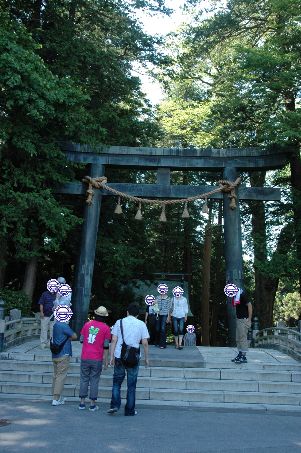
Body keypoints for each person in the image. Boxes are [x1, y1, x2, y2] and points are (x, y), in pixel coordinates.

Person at [107, 303, 149, 416]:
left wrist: (111, 356)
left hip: (119, 356)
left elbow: (114, 340)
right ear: (138, 315)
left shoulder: (119, 322)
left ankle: (114, 406)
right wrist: (146, 358)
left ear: (127, 312)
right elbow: (144, 343)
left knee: (116, 383)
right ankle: (129, 410)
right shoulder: (141, 324)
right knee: (131, 386)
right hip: (134, 358)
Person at [78, 306, 111, 411]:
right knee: (94, 380)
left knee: (84, 379)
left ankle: (82, 403)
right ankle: (92, 404)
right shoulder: (106, 328)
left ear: (95, 315)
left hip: (85, 356)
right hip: (97, 358)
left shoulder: (87, 325)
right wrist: (106, 361)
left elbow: (81, 340)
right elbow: (106, 346)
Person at [51, 316, 77, 406]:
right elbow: (75, 336)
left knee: (56, 376)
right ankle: (56, 399)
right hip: (64, 353)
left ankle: (57, 397)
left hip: (55, 354)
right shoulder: (64, 326)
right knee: (61, 376)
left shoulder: (55, 325)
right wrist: (69, 337)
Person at [232, 290, 252, 364]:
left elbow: (249, 305)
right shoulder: (236, 296)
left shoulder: (242, 294)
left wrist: (249, 319)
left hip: (244, 320)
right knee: (238, 338)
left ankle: (244, 356)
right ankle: (240, 354)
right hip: (239, 319)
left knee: (243, 338)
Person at [39, 279, 58, 348]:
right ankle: (43, 343)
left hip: (54, 315)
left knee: (52, 330)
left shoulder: (57, 295)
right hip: (45, 315)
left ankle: (50, 343)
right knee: (44, 329)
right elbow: (41, 303)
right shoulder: (44, 294)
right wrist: (41, 312)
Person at [155, 284, 172, 349]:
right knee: (157, 329)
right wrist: (155, 304)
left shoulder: (168, 298)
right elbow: (155, 307)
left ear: (166, 290)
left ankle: (162, 344)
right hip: (158, 315)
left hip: (165, 315)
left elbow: (169, 308)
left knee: (163, 329)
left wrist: (168, 317)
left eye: (163, 289)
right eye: (161, 289)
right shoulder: (157, 297)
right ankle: (157, 342)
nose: (162, 290)